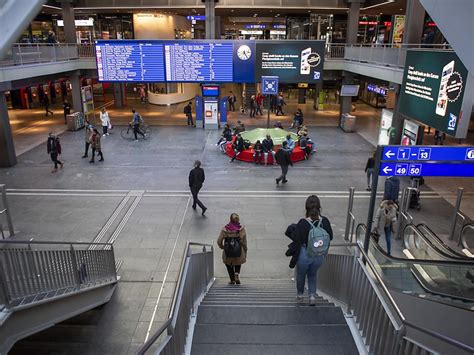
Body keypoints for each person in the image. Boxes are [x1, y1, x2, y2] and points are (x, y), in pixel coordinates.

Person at [287, 195, 333, 305]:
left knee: (301, 275)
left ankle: (300, 296)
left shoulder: (303, 222)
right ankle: (312, 297)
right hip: (319, 255)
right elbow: (330, 236)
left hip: (305, 254)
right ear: (319, 207)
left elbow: (296, 238)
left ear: (306, 208)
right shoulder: (325, 221)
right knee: (312, 275)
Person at [217, 213, 247, 285]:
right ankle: (236, 274)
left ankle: (232, 280)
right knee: (238, 261)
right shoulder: (241, 230)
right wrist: (245, 249)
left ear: (230, 219)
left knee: (228, 264)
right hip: (238, 250)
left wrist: (222, 247)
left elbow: (219, 241)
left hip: (228, 251)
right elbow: (244, 242)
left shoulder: (225, 230)